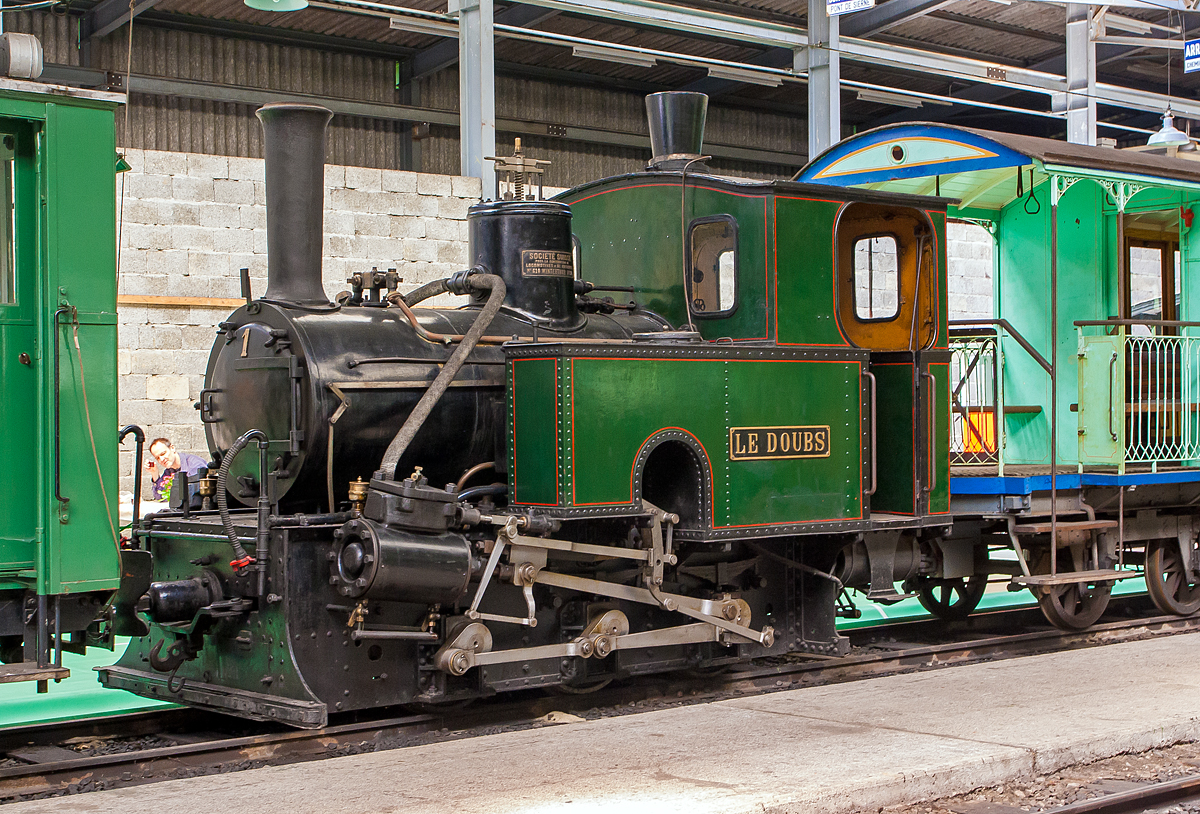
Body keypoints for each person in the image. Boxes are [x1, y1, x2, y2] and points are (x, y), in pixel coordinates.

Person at [146, 437, 208, 503]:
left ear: (172, 448)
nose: (161, 459)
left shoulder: (194, 464)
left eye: (163, 453)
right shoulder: (169, 471)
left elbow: (194, 495)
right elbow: (160, 497)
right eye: (157, 458)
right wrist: (154, 473)